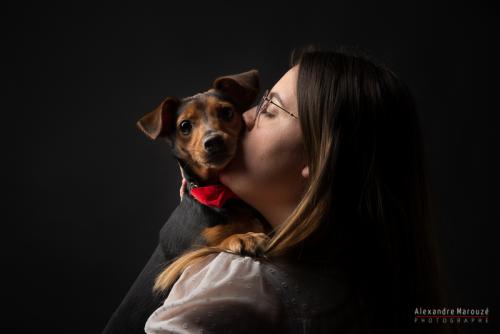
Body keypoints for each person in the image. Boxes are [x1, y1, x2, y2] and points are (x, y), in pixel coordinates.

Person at [141, 46, 458, 334]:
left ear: (319, 162)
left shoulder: (238, 281)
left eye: (268, 110)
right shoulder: (376, 283)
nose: (245, 118)